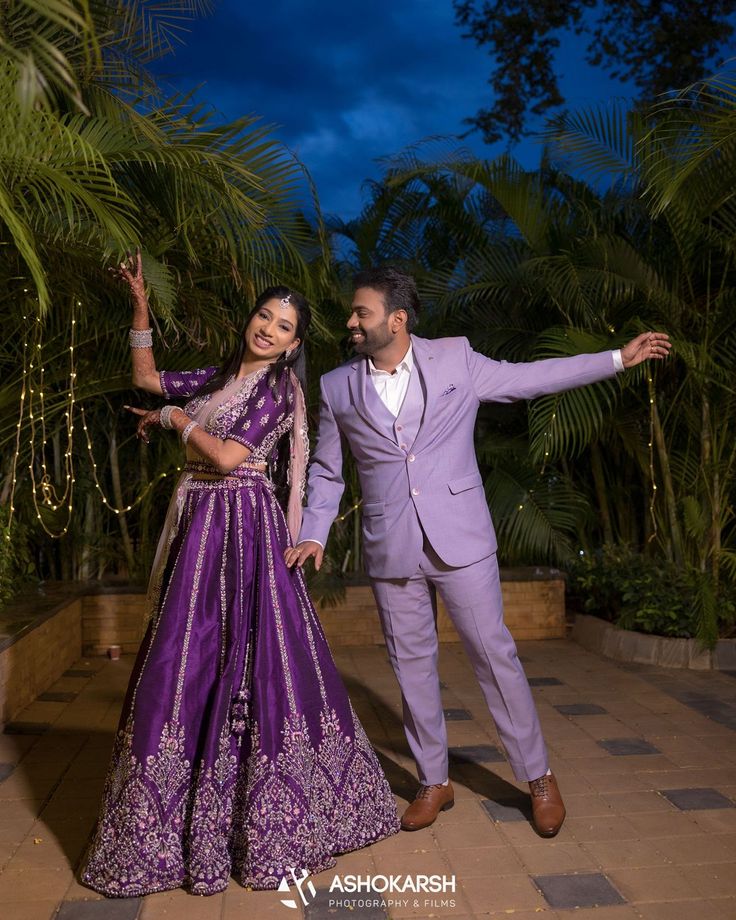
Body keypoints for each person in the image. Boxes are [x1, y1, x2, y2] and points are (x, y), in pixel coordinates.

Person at [285, 266, 671, 838]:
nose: (351, 321)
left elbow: (531, 378)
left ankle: (537, 776)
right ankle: (433, 780)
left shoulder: (457, 359)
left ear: (397, 319)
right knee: (410, 666)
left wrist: (616, 358)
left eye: (361, 312)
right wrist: (314, 530)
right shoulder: (337, 386)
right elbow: (326, 470)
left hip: (461, 539)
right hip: (392, 547)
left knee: (494, 656)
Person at [81, 255, 399, 898]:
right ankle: (171, 826)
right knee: (183, 662)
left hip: (242, 529)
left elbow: (227, 458)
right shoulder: (224, 374)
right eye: (264, 315)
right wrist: (140, 307)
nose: (269, 329)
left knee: (252, 663)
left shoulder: (279, 391)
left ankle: (261, 822)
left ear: (294, 345)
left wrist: (176, 420)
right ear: (250, 319)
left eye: (284, 326)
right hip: (199, 525)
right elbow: (146, 378)